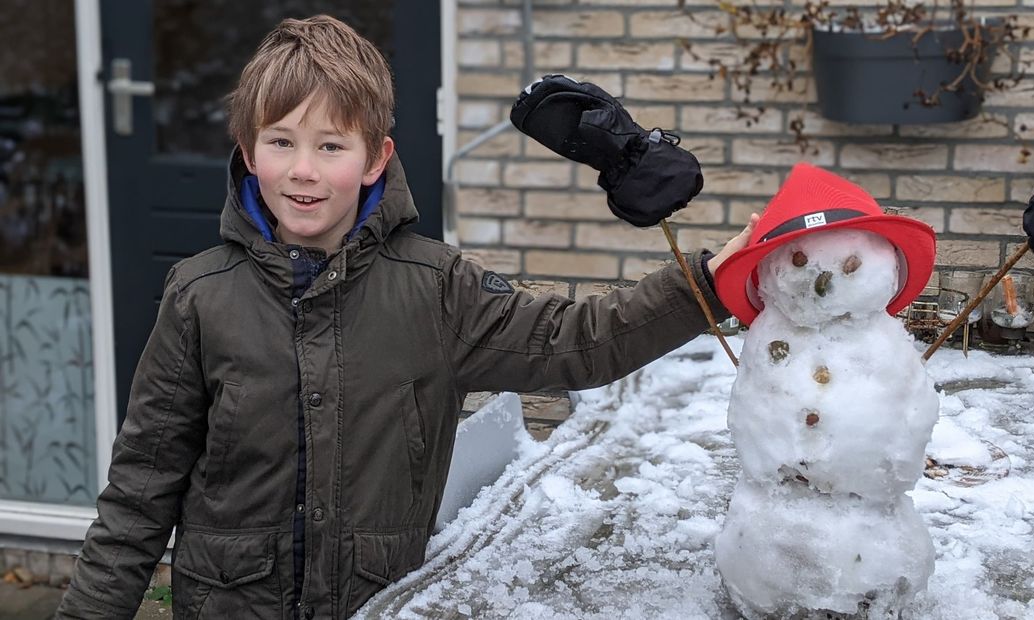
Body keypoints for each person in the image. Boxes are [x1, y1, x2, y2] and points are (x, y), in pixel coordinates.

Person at [55, 15, 757, 620]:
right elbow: (139, 496)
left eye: (330, 146)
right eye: (281, 142)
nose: (303, 170)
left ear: (374, 159)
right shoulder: (198, 296)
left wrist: (706, 283)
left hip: (378, 603)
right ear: (247, 151)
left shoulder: (437, 289)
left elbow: (579, 343)